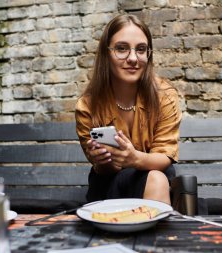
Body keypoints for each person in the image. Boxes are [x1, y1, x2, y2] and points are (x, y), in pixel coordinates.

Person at [75, 14, 182, 205]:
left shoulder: (165, 96)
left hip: (157, 178)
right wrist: (101, 161)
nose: (133, 58)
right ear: (106, 53)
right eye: (121, 49)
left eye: (141, 49)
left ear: (148, 54)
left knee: (157, 176)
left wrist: (134, 158)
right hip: (109, 185)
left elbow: (165, 156)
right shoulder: (88, 105)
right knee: (154, 178)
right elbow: (102, 171)